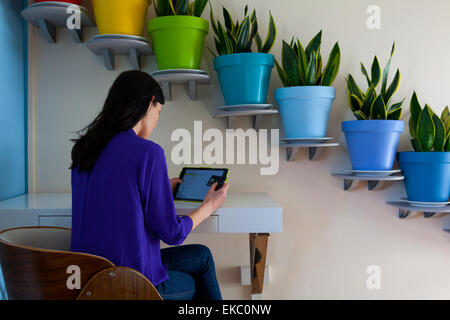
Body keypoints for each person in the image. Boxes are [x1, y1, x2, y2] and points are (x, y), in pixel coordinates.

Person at [70, 70, 229, 300]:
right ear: (150, 103)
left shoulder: (85, 149)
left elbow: (112, 192)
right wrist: (208, 207)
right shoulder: (148, 152)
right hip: (130, 285)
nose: (156, 121)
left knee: (201, 256)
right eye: (159, 112)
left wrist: (158, 186)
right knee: (195, 280)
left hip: (90, 282)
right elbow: (172, 233)